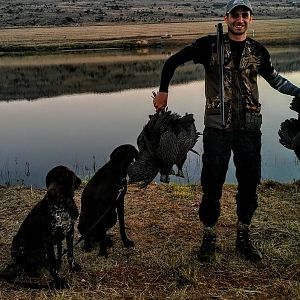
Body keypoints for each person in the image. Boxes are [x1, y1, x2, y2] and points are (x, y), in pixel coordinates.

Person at [152, 0, 300, 262]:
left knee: (249, 184)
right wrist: (163, 92)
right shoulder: (209, 45)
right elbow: (173, 62)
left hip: (250, 129)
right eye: (235, 15)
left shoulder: (257, 51)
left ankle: (243, 235)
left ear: (250, 19)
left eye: (245, 15)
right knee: (212, 185)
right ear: (227, 17)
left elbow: (276, 80)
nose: (239, 19)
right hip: (217, 129)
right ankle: (209, 235)